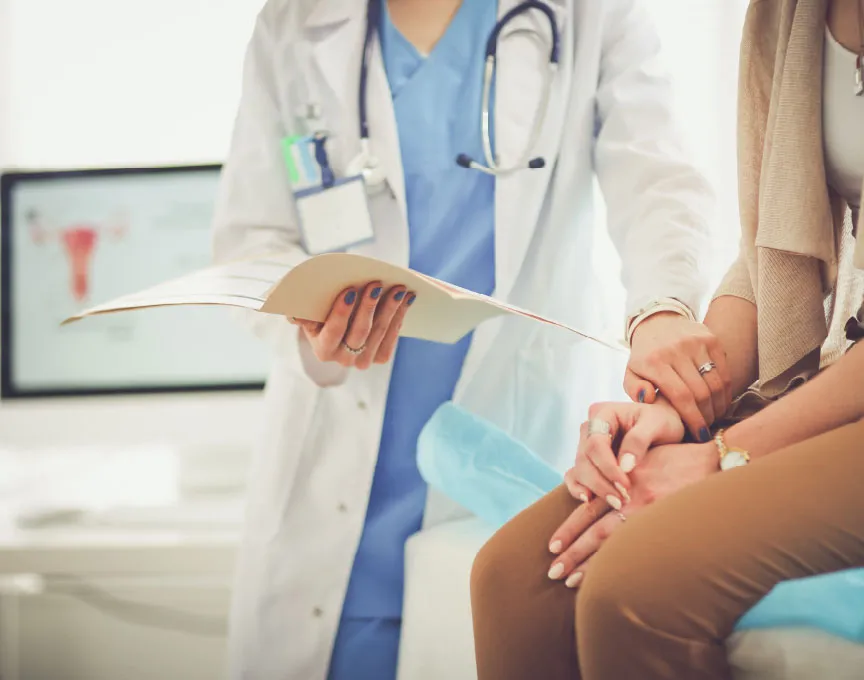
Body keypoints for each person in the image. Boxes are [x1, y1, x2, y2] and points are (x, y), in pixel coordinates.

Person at [212, 0, 717, 678]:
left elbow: (657, 178)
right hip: (337, 480)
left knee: (484, 630)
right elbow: (250, 237)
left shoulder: (588, 12)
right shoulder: (297, 21)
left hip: (510, 439)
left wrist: (662, 308)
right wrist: (302, 313)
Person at [470, 0, 864, 678]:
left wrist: (724, 458)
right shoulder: (789, 15)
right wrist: (684, 400)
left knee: (636, 588)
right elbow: (773, 250)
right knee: (513, 578)